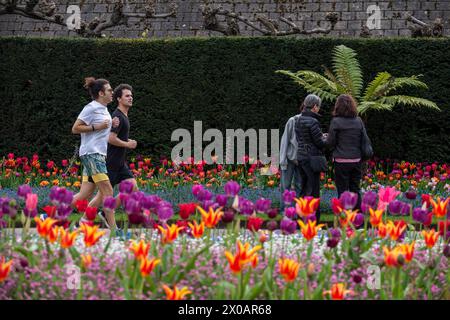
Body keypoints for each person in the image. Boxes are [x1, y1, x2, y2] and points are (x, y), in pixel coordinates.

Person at [71, 77, 119, 231]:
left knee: (85, 194)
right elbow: (75, 128)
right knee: (108, 191)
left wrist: (112, 124)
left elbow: (102, 130)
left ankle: (51, 215)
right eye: (110, 90)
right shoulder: (91, 107)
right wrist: (96, 127)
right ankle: (114, 230)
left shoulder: (103, 108)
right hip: (92, 154)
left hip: (97, 154)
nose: (112, 92)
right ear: (101, 93)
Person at [90, 84, 138, 221]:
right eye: (127, 96)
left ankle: (105, 213)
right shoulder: (117, 117)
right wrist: (127, 144)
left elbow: (116, 137)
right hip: (111, 163)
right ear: (119, 99)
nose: (130, 98)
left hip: (120, 164)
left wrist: (127, 140)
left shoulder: (123, 116)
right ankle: (84, 220)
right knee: (100, 197)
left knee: (132, 187)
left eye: (131, 95)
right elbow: (111, 138)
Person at [326, 94, 366, 210]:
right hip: (356, 160)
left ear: (338, 106)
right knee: (355, 189)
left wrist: (326, 140)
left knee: (342, 191)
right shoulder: (358, 121)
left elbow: (330, 143)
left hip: (341, 161)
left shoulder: (336, 121)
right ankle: (358, 218)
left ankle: (343, 217)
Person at [295, 94, 327, 222]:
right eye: (318, 106)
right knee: (313, 189)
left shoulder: (298, 119)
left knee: (303, 188)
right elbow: (319, 143)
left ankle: (300, 218)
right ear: (314, 107)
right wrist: (326, 138)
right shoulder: (313, 121)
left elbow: (301, 139)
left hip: (301, 156)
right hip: (312, 158)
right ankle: (313, 220)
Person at [279, 104, 302, 211]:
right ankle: (284, 210)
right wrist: (282, 160)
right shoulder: (292, 121)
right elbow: (285, 141)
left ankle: (297, 212)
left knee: (299, 186)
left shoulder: (311, 121)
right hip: (289, 159)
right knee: (285, 186)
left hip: (301, 160)